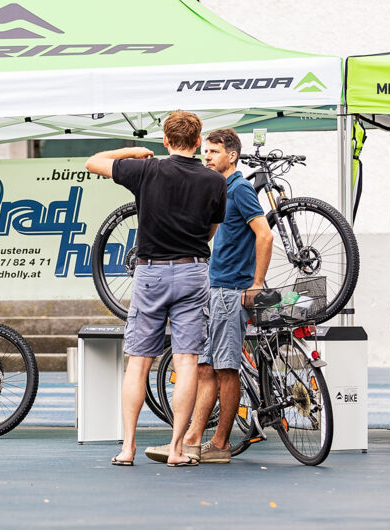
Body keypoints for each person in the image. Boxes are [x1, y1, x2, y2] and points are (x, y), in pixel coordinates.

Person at [85, 111, 226, 467]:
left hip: (150, 273)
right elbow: (211, 230)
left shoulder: (147, 170)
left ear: (165, 140)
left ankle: (128, 447)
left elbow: (93, 162)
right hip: (193, 272)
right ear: (198, 142)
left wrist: (131, 151)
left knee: (138, 362)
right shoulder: (214, 181)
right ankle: (177, 448)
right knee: (187, 361)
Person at [167, 128, 273, 463]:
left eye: (214, 151)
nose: (207, 156)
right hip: (217, 288)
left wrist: (256, 284)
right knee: (206, 368)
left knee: (226, 370)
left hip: (231, 291)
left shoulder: (240, 189)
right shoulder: (220, 189)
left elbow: (265, 236)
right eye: (206, 151)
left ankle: (221, 444)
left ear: (232, 156)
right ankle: (196, 439)